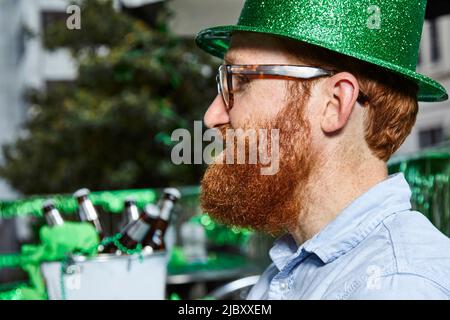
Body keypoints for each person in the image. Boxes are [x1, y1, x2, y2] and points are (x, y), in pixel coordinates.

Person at [195, 0, 450, 299]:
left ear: (334, 104)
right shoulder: (289, 266)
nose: (212, 117)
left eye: (240, 81)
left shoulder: (399, 285)